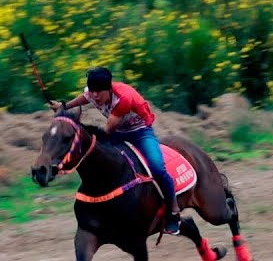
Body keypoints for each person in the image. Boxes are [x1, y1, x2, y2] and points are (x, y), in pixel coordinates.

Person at [49, 67, 183, 235]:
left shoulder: (123, 99)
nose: (95, 96)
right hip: (119, 132)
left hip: (140, 132)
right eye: (92, 91)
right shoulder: (93, 92)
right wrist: (63, 106)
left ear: (109, 89)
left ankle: (173, 210)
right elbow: (85, 97)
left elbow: (107, 130)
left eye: (99, 92)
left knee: (157, 167)